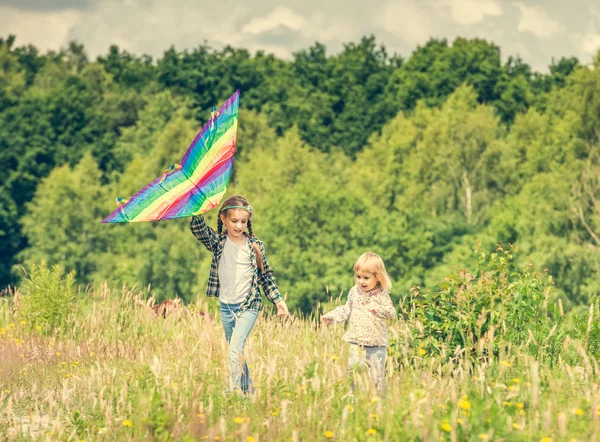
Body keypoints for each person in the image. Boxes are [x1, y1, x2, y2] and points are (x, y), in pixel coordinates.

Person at [190, 195, 289, 394]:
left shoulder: (255, 246)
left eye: (243, 221)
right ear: (223, 219)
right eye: (234, 221)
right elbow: (198, 229)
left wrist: (278, 301)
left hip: (249, 305)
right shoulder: (218, 242)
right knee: (237, 352)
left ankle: (232, 392)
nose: (239, 226)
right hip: (226, 306)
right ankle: (248, 393)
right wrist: (198, 207)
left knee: (234, 350)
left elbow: (266, 276)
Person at [321, 252, 395, 398]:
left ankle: (383, 404)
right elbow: (346, 309)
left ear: (377, 277)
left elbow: (391, 313)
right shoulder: (355, 292)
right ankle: (355, 400)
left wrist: (377, 309)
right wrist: (333, 316)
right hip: (356, 341)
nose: (361, 281)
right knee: (354, 372)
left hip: (376, 343)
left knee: (377, 377)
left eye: (366, 278)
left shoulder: (381, 294)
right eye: (358, 277)